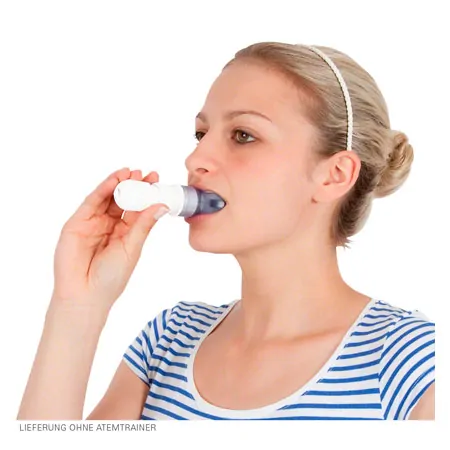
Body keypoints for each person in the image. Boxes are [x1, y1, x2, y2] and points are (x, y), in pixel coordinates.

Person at [17, 42, 435, 421]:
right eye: (201, 134)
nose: (195, 158)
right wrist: (77, 306)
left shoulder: (411, 361)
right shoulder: (168, 341)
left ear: (334, 175)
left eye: (243, 135)